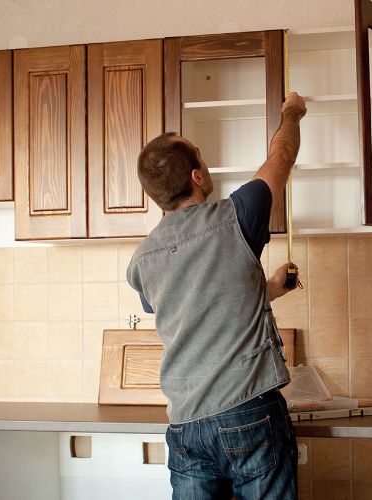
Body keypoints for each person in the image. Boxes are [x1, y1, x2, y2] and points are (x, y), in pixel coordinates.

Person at [126, 92, 307, 500]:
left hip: (186, 427)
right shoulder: (237, 216)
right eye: (201, 158)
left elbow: (196, 306)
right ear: (197, 177)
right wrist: (292, 113)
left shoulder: (141, 261)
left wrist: (270, 291)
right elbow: (280, 159)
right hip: (248, 414)